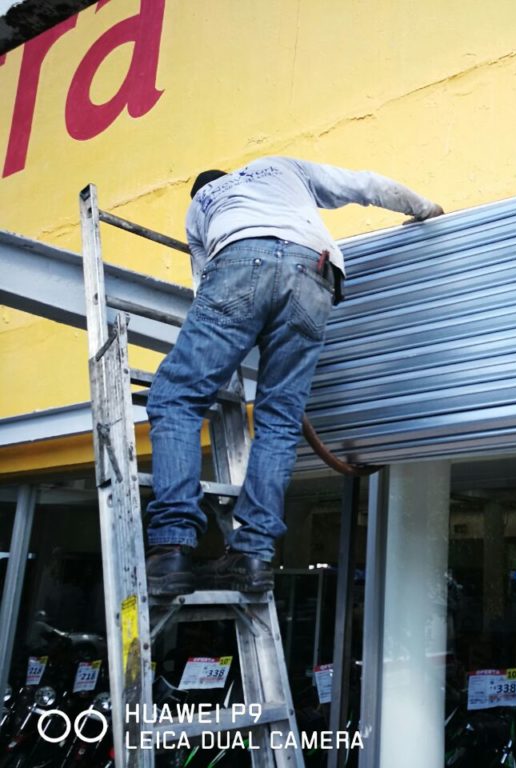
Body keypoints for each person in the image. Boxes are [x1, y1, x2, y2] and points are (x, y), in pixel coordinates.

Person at [144, 156, 444, 596]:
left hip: (238, 262)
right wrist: (424, 208)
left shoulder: (200, 207)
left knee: (176, 398)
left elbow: (205, 286)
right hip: (314, 271)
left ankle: (172, 548)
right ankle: (252, 555)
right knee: (280, 420)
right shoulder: (280, 167)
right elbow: (363, 182)